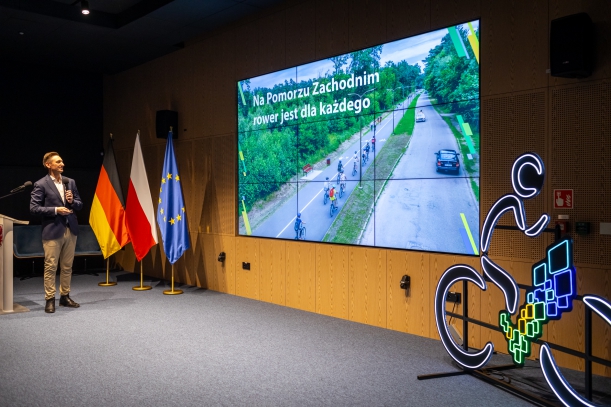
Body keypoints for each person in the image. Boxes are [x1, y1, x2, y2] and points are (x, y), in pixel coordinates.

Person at [30, 152, 83, 313]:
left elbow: (80, 204)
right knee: (51, 266)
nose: (62, 164)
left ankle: (65, 297)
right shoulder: (41, 184)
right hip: (52, 230)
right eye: (58, 162)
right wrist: (55, 210)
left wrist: (72, 201)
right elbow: (34, 208)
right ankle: (50, 299)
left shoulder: (70, 182)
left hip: (70, 228)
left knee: (67, 266)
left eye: (62, 161)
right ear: (48, 165)